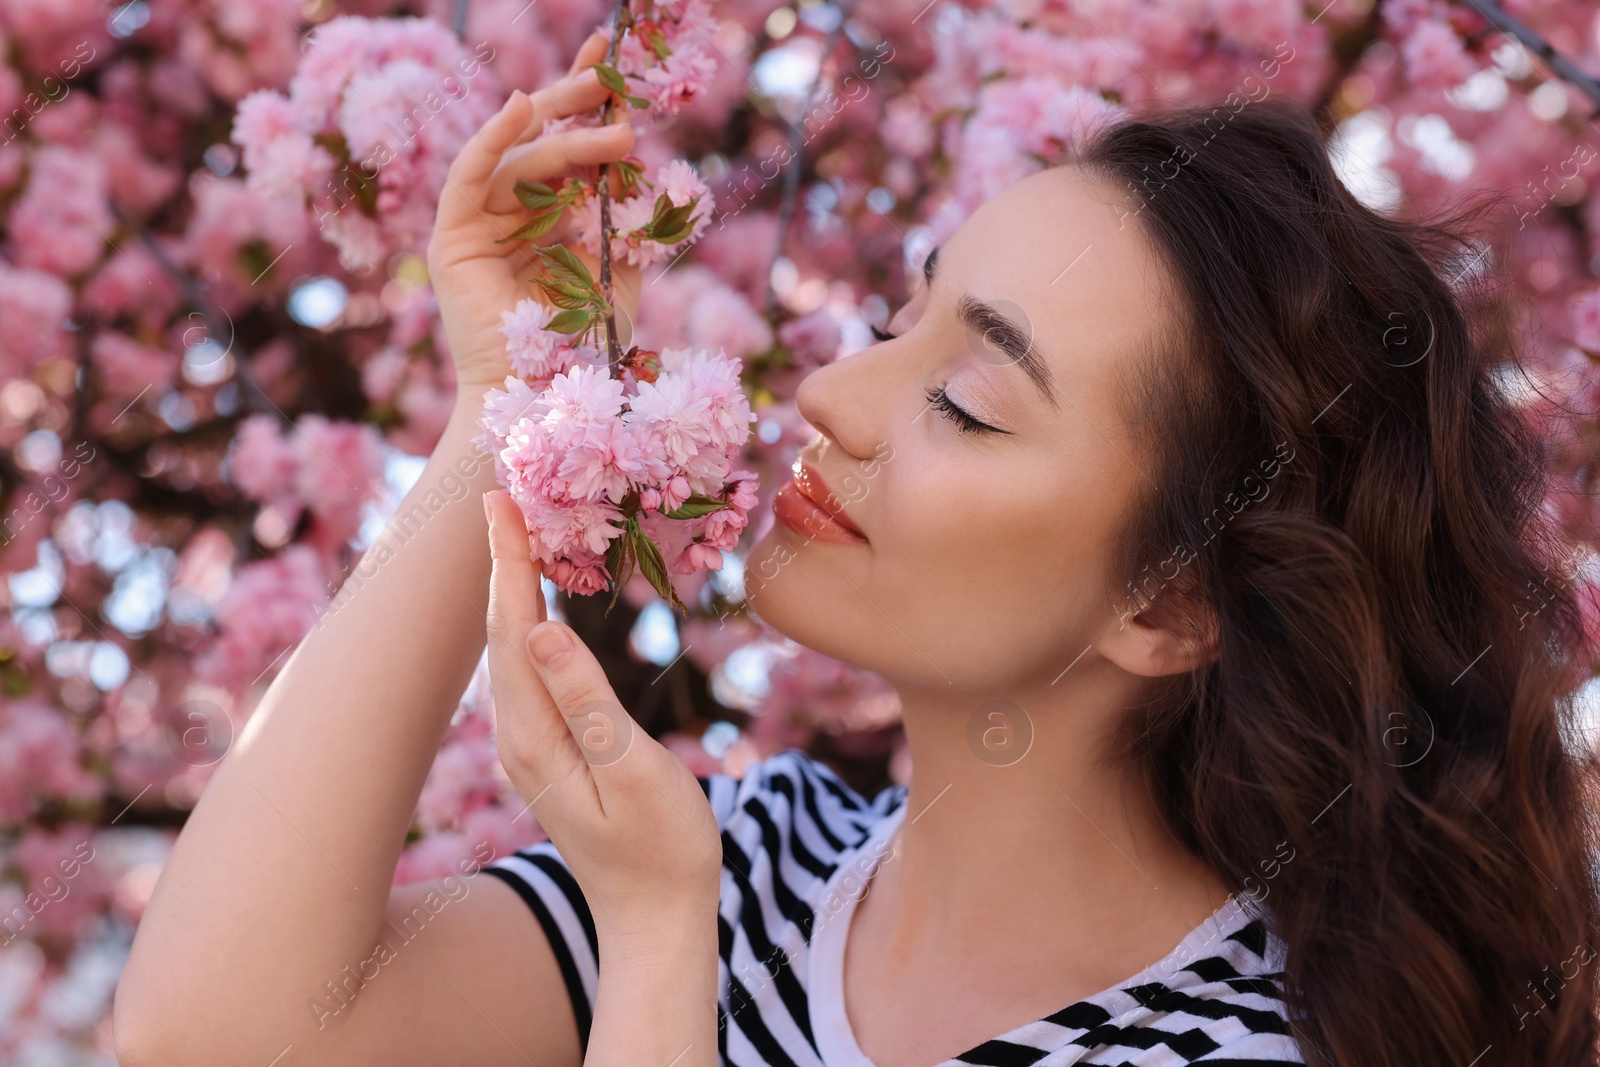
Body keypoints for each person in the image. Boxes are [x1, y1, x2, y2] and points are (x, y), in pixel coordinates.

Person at [113, 30, 1600, 1067]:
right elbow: (220, 1033)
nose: (830, 393)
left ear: (1171, 601)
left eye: (965, 400)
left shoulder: (1221, 1045)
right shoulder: (769, 868)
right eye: (901, 317)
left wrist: (649, 941)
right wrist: (496, 406)